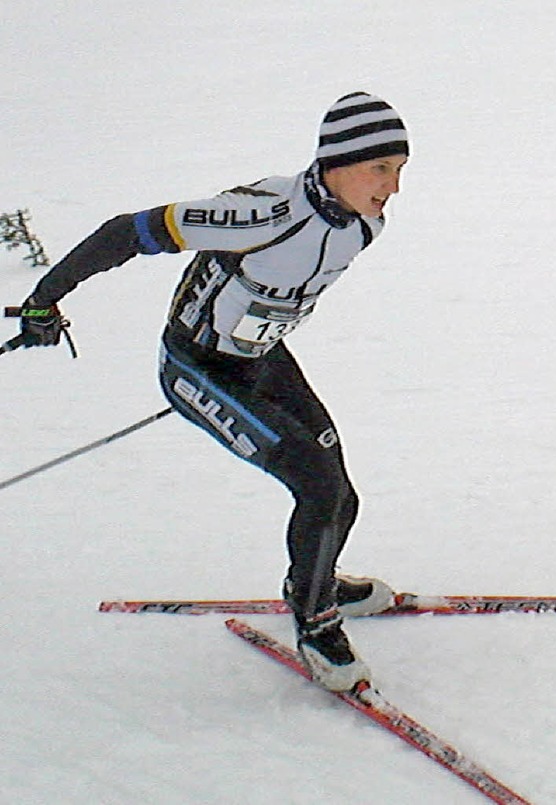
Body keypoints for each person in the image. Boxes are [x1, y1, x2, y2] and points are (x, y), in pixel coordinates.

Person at [17, 91, 410, 692]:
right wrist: (45, 300)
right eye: (380, 168)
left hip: (256, 361)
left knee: (339, 493)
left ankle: (315, 582)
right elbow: (127, 232)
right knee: (318, 484)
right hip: (197, 369)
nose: (393, 188)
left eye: (400, 170)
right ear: (335, 162)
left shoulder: (363, 224)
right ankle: (316, 623)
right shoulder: (264, 212)